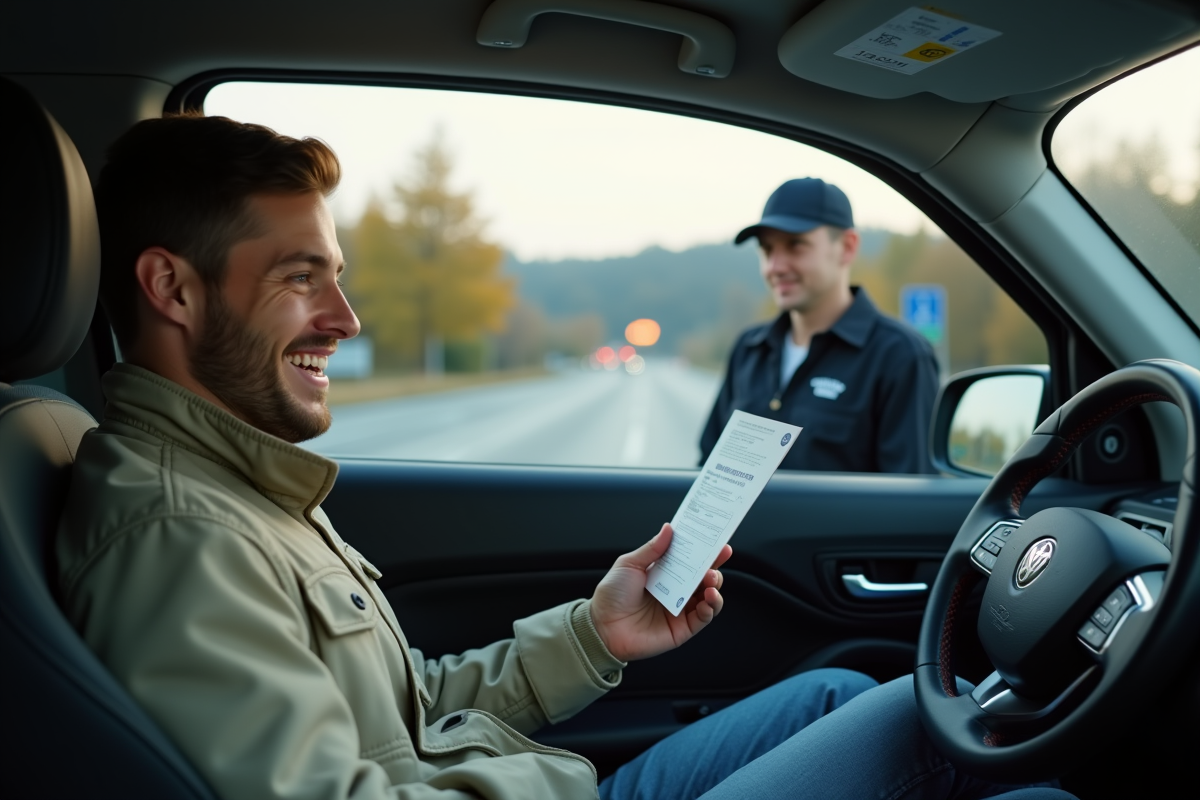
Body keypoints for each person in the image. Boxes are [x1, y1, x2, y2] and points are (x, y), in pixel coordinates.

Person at [57, 114, 1074, 800]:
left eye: (339, 277)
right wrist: (562, 779)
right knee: (956, 745)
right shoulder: (174, 529)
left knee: (838, 694)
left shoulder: (243, 485)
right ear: (172, 289)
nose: (345, 316)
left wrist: (599, 632)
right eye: (299, 278)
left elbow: (410, 710)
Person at [700, 178, 941, 473]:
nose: (775, 266)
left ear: (847, 248)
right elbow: (708, 469)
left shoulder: (899, 356)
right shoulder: (749, 349)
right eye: (766, 249)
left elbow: (909, 504)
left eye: (795, 246)